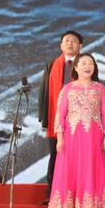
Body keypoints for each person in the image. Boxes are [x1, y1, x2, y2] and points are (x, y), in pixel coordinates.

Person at [47, 54, 105, 208]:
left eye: (90, 63)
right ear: (75, 67)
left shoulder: (100, 89)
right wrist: (60, 138)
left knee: (90, 170)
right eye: (83, 63)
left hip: (94, 137)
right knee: (69, 171)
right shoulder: (67, 89)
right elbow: (60, 115)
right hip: (71, 137)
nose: (87, 66)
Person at [38, 30, 84, 186]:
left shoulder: (86, 64)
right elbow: (44, 92)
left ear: (80, 45)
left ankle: (74, 190)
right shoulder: (52, 64)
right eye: (67, 41)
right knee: (55, 155)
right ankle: (52, 191)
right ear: (61, 45)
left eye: (74, 41)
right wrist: (44, 118)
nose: (70, 43)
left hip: (79, 119)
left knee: (77, 157)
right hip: (55, 118)